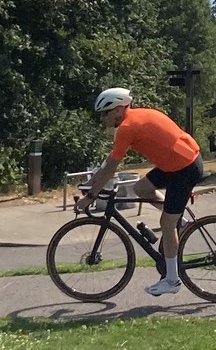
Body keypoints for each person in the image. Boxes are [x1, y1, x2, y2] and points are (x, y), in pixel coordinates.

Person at [79, 88, 205, 296]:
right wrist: (93, 182)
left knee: (166, 223)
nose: (103, 118)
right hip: (177, 162)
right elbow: (109, 162)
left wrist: (91, 196)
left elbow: (111, 167)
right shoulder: (136, 117)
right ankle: (182, 224)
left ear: (119, 110)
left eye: (106, 113)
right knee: (141, 188)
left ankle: (172, 280)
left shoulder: (128, 127)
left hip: (184, 168)